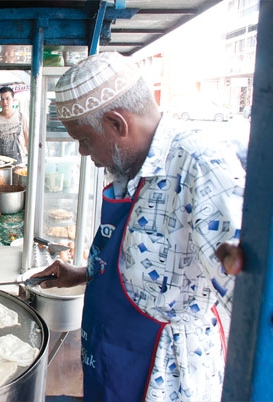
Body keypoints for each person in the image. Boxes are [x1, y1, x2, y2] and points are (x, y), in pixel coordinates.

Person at [30, 52, 245, 401]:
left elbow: (251, 293)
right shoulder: (128, 165)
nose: (83, 152)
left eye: (84, 139)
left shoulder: (200, 165)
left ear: (118, 124)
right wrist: (85, 273)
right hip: (111, 353)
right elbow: (151, 264)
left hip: (161, 371)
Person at [0, 86, 29, 164]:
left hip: (19, 163)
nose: (4, 102)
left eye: (7, 98)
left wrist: (31, 158)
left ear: (13, 99)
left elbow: (27, 139)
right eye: (1, 99)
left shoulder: (21, 117)